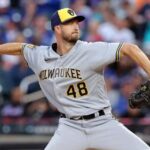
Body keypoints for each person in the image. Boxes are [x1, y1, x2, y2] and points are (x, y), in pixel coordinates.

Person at [0, 7, 150, 150]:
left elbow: (130, 49)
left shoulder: (90, 50)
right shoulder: (40, 55)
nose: (76, 26)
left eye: (76, 22)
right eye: (69, 23)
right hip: (70, 127)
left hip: (102, 123)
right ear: (57, 28)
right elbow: (21, 48)